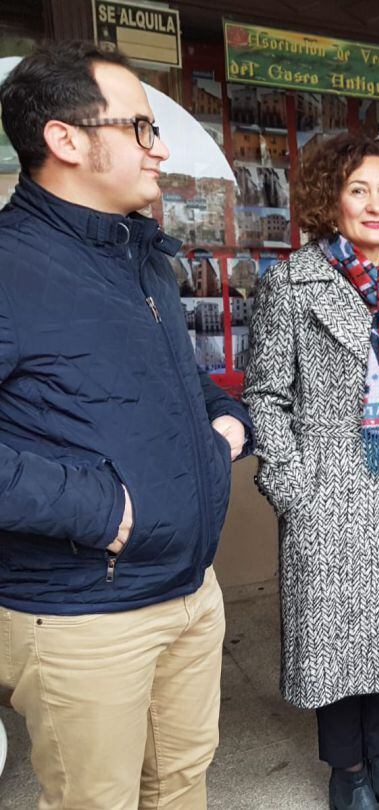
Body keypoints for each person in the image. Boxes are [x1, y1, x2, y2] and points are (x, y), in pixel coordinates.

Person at [0, 42, 251, 808]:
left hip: (187, 591)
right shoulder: (10, 265)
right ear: (65, 140)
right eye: (141, 127)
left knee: (180, 784)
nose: (161, 147)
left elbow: (178, 383)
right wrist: (101, 511)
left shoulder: (139, 257)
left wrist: (228, 425)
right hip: (82, 612)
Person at [243, 133, 379, 810]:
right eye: (358, 189)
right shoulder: (292, 281)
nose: (375, 205)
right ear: (330, 200)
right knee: (339, 647)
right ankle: (348, 777)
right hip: (330, 495)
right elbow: (265, 395)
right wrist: (293, 491)